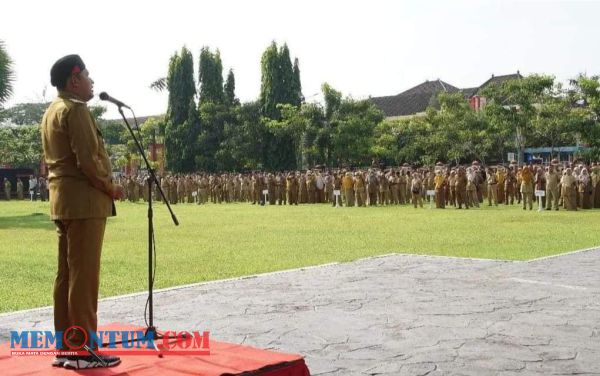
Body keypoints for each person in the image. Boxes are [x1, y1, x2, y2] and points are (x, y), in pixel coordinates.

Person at [41, 54, 123, 369]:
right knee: (84, 278)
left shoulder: (51, 111)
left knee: (66, 277)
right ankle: (85, 350)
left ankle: (66, 348)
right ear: (74, 80)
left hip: (63, 202)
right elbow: (88, 160)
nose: (92, 82)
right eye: (88, 76)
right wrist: (109, 186)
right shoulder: (75, 111)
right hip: (84, 203)